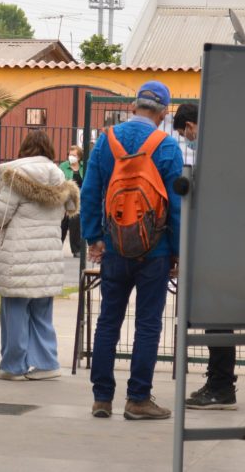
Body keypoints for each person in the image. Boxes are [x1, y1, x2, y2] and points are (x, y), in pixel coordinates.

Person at [81, 81, 183, 420]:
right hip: (155, 251)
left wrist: (94, 236)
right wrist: (179, 252)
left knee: (109, 320)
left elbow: (91, 191)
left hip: (114, 248)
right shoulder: (167, 147)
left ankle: (102, 398)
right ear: (164, 111)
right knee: (148, 324)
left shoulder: (106, 142)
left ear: (134, 105)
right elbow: (177, 206)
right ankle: (138, 399)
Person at [0, 130, 79, 382]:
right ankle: (47, 363)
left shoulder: (14, 176)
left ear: (24, 148)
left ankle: (13, 365)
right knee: (42, 312)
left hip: (18, 257)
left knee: (14, 311)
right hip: (48, 257)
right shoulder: (60, 176)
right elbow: (70, 210)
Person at [173, 102, 237, 410]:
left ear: (191, 125)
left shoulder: (219, 153)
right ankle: (218, 382)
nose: (187, 138)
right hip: (225, 246)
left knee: (217, 317)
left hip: (223, 249)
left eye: (186, 132)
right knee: (218, 319)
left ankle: (221, 387)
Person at [59, 144, 84, 257]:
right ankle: (57, 246)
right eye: (70, 154)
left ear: (79, 157)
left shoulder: (84, 166)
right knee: (63, 222)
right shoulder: (63, 166)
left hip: (80, 198)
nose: (71, 157)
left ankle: (76, 249)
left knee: (75, 222)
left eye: (74, 155)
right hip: (67, 197)